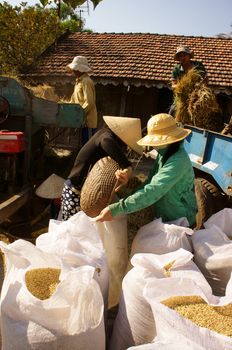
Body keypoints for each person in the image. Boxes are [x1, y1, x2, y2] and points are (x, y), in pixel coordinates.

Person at [95, 113, 198, 227]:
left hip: (180, 219)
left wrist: (117, 208)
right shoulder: (164, 153)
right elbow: (150, 181)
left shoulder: (178, 161)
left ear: (170, 140)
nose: (155, 146)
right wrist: (130, 196)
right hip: (164, 217)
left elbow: (153, 190)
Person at [61, 116, 143, 220]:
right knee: (72, 229)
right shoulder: (104, 135)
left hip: (89, 194)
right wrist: (127, 166)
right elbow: (106, 141)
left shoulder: (105, 135)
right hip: (75, 190)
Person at [169, 46, 207, 116]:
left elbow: (204, 79)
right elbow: (173, 84)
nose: (182, 57)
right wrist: (181, 87)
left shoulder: (198, 65)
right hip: (182, 95)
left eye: (184, 55)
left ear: (189, 56)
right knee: (172, 110)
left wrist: (199, 86)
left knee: (205, 107)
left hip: (197, 93)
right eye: (180, 56)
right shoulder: (176, 69)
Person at [67, 55, 97, 144]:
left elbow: (89, 102)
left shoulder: (86, 81)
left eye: (75, 69)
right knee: (81, 146)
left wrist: (80, 114)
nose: (73, 71)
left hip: (88, 122)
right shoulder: (78, 81)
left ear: (80, 69)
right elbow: (73, 99)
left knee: (87, 147)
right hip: (80, 120)